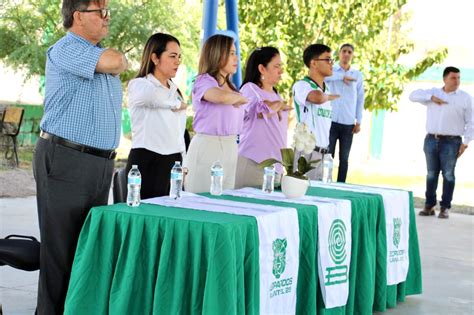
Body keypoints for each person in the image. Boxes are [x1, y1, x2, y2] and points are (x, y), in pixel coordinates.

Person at [32, 0, 127, 313]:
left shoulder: (95, 55)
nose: (106, 18)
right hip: (65, 158)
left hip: (100, 163)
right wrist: (116, 59)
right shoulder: (67, 48)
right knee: (60, 256)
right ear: (77, 16)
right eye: (99, 12)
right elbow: (117, 60)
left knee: (88, 254)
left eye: (107, 12)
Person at [183, 34, 248, 193]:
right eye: (231, 53)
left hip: (231, 146)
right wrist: (237, 98)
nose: (236, 58)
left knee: (224, 200)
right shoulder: (204, 81)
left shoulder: (232, 87)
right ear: (217, 55)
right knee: (202, 200)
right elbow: (219, 97)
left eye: (236, 53)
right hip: (208, 145)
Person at [126, 33, 187, 198]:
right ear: (155, 58)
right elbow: (152, 97)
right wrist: (175, 104)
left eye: (179, 57)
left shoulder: (175, 91)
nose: (178, 62)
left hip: (173, 162)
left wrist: (184, 161)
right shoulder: (139, 84)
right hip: (147, 159)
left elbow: (178, 131)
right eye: (172, 56)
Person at [409, 66, 472, 219]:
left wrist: (466, 142)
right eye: (453, 78)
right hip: (431, 139)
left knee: (449, 175)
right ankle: (429, 205)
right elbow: (412, 95)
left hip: (452, 142)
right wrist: (431, 97)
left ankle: (445, 207)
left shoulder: (465, 98)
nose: (457, 81)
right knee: (431, 174)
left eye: (458, 78)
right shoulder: (434, 93)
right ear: (444, 79)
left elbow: (472, 121)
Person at [235, 47, 291, 188]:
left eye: (281, 66)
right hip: (254, 166)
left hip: (275, 170)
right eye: (276, 66)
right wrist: (278, 105)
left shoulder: (276, 94)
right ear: (262, 68)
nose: (281, 71)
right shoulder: (250, 89)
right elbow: (262, 110)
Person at [292, 44, 339, 180]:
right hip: (307, 153)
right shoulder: (302, 85)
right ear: (313, 63)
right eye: (327, 59)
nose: (332, 64)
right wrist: (328, 97)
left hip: (324, 154)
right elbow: (316, 98)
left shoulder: (327, 89)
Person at [325, 43, 364, 182]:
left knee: (344, 158)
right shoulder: (332, 71)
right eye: (344, 51)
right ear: (339, 53)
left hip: (348, 122)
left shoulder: (357, 75)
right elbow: (325, 79)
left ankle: (341, 184)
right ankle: (326, 182)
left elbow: (360, 98)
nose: (346, 54)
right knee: (328, 155)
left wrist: (359, 120)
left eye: (349, 52)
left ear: (352, 55)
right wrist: (341, 77)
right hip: (331, 120)